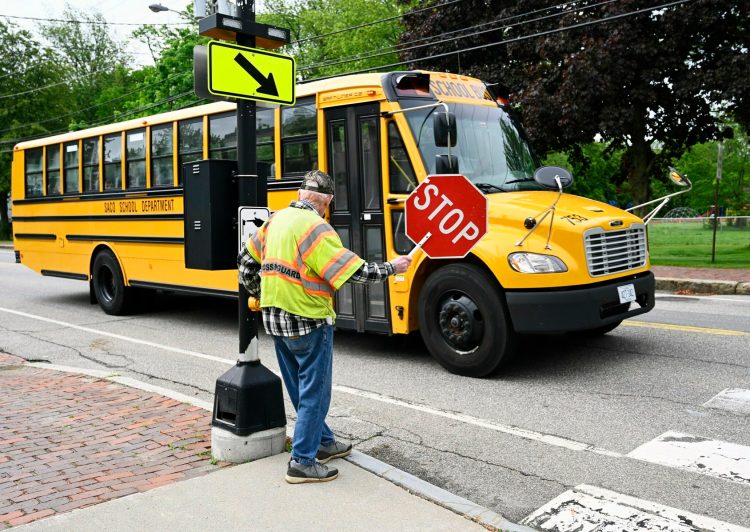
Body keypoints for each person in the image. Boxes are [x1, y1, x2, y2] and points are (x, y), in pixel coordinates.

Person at [238, 170, 412, 484]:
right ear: (327, 201)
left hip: (275, 320)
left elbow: (246, 263)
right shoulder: (317, 228)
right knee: (316, 393)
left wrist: (259, 293)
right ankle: (302, 462)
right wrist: (392, 267)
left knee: (300, 388)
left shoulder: (274, 221)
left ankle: (323, 442)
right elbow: (353, 271)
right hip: (309, 320)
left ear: (301, 194)